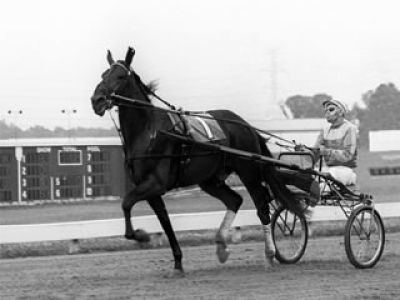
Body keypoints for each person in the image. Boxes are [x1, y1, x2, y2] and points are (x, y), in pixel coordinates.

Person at [314, 99, 358, 186]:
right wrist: (304, 150)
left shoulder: (350, 128)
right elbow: (315, 151)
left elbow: (348, 155)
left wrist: (326, 151)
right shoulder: (325, 130)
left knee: (323, 182)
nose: (327, 113)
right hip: (328, 169)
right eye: (325, 111)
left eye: (331, 110)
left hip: (345, 170)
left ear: (341, 112)